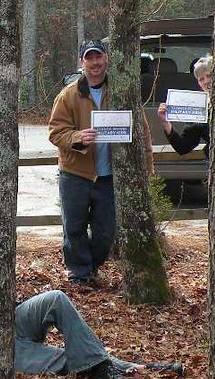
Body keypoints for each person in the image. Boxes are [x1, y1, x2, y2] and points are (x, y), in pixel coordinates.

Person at [0, 244, 182, 379]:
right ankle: (142, 368)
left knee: (56, 298)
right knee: (63, 359)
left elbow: (4, 292)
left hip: (11, 324)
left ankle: (111, 367)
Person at [48, 39, 154, 286]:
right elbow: (55, 132)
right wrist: (77, 137)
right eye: (89, 58)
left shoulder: (120, 90)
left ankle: (92, 267)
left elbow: (142, 130)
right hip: (75, 173)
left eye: (98, 57)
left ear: (106, 58)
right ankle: (80, 275)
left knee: (106, 232)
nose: (95, 62)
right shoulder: (68, 95)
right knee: (73, 228)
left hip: (109, 176)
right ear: (81, 62)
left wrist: (148, 166)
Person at [157, 54, 212, 156]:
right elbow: (183, 147)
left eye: (209, 75)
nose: (206, 81)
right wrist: (165, 122)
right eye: (201, 79)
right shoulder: (198, 106)